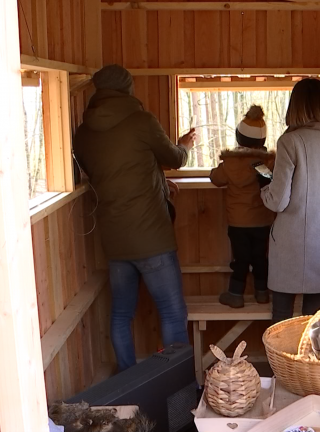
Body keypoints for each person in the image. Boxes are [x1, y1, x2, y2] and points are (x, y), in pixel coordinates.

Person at [73, 64, 197, 372]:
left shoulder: (82, 132)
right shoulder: (141, 121)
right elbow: (175, 159)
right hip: (152, 237)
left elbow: (108, 174)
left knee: (120, 314)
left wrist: (156, 181)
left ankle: (129, 381)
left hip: (114, 240)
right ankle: (175, 385)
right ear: (128, 88)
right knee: (171, 312)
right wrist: (185, 144)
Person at [261, 78, 320, 323]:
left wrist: (264, 190)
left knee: (281, 322)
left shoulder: (290, 141)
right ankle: (307, 363)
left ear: (296, 106)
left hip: (292, 243)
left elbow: (278, 201)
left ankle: (280, 364)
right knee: (315, 324)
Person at [209, 105, 276, 308]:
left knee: (240, 259)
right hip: (262, 221)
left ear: (239, 138)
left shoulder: (230, 164)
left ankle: (235, 294)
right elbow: (271, 182)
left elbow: (215, 178)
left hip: (238, 223)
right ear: (262, 141)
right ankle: (262, 293)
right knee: (260, 258)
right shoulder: (266, 164)